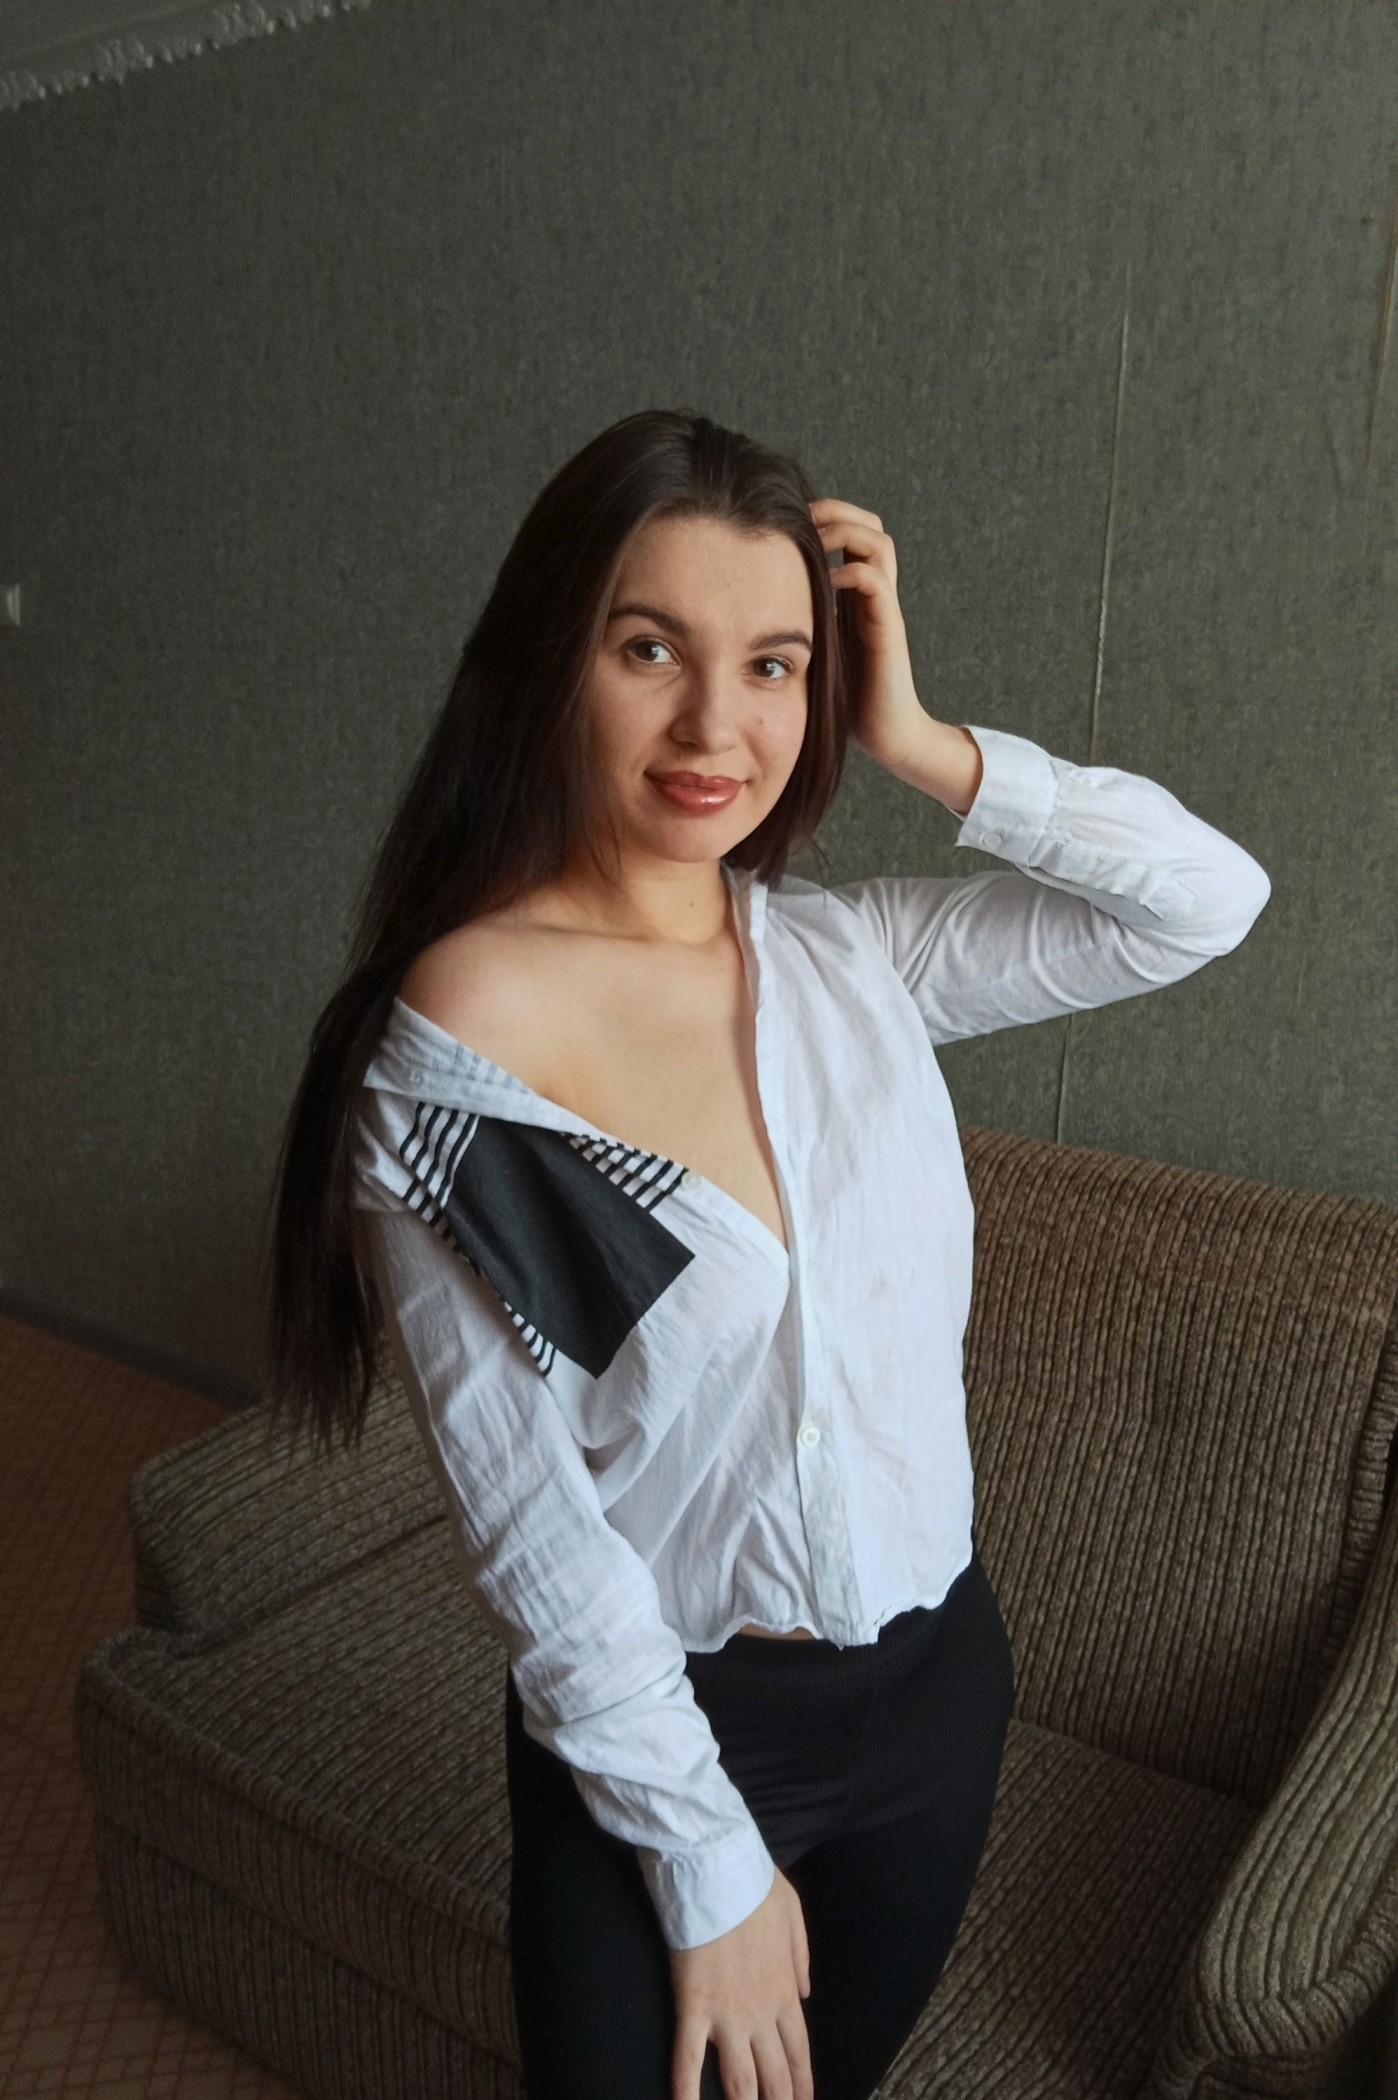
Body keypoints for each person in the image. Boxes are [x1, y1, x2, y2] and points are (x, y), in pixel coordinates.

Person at [259, 409, 1271, 2100]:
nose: (715, 728)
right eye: (649, 648)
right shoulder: (470, 1037)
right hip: (668, 1718)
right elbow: (531, 1520)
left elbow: (1202, 899)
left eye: (775, 664)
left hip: (936, 1696)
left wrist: (922, 739)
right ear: (549, 659)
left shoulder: (852, 964)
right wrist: (705, 1859)